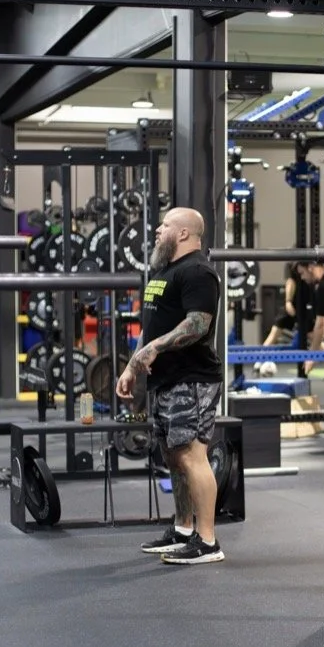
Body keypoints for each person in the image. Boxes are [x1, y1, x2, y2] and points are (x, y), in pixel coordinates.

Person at [117, 206, 226, 565]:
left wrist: (155, 348)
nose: (157, 230)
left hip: (192, 379)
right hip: (165, 379)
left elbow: (198, 325)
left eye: (164, 225)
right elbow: (152, 328)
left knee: (192, 456)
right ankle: (183, 528)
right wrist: (133, 365)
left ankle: (208, 542)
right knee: (173, 456)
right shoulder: (165, 271)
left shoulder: (198, 272)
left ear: (182, 234)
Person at [293, 259, 324, 377]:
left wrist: (312, 355)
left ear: (310, 267)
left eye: (302, 273)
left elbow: (321, 325)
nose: (302, 278)